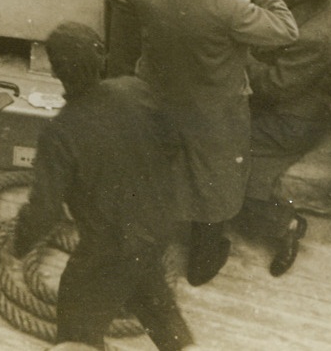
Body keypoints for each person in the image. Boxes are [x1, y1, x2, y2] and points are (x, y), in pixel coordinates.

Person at [106, 0, 298, 286]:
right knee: (216, 180)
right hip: (215, 113)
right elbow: (286, 29)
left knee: (162, 171)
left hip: (158, 102)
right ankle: (204, 258)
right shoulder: (233, 7)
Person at [12, 23, 196, 350]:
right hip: (158, 225)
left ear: (56, 71)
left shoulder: (59, 134)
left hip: (111, 248)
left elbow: (45, 211)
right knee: (151, 295)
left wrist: (19, 244)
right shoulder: (136, 89)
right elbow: (172, 144)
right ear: (102, 56)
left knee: (76, 328)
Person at [234, 0, 331, 276]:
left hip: (291, 120)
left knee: (224, 160)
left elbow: (272, 87)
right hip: (283, 103)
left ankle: (285, 225)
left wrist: (236, 50)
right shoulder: (312, 1)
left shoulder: (316, 36)